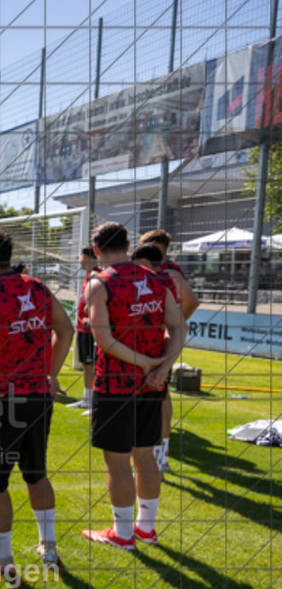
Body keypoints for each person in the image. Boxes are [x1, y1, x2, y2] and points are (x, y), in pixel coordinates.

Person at [0, 227, 74, 576]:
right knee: (36, 474)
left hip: (0, 400)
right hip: (37, 397)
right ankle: (48, 547)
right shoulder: (36, 286)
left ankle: (1, 559)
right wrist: (51, 374)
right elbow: (66, 329)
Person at [82, 222, 185, 550]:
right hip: (152, 385)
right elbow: (180, 327)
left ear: (96, 250)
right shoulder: (157, 278)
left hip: (116, 385)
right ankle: (146, 528)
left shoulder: (99, 282)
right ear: (127, 244)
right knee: (145, 456)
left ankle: (123, 533)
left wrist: (147, 364)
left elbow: (104, 340)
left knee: (117, 460)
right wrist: (162, 367)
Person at [137, 229, 200, 476]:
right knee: (159, 395)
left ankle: (161, 456)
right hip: (155, 340)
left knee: (160, 395)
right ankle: (158, 450)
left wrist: (169, 328)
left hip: (159, 341)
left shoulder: (168, 272)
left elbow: (191, 301)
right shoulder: (160, 271)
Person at [66, 246, 100, 415]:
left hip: (89, 329)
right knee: (86, 365)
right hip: (82, 327)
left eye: (82, 257)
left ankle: (95, 402)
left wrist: (90, 313)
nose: (80, 261)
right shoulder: (89, 276)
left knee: (92, 365)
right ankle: (87, 399)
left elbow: (95, 300)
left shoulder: (96, 275)